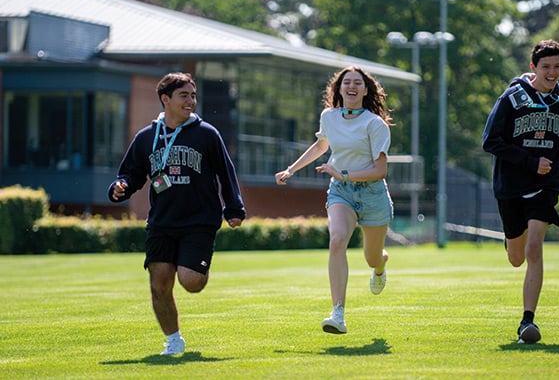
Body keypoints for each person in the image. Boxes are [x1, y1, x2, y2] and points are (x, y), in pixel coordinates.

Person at [108, 72, 246, 355]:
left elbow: (226, 172)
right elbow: (131, 174)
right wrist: (121, 187)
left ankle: (197, 267)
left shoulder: (207, 134)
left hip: (199, 221)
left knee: (191, 282)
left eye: (193, 96)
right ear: (165, 99)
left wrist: (234, 207)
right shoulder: (147, 137)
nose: (190, 101)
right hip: (162, 222)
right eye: (184, 96)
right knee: (159, 284)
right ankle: (173, 341)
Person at [275, 66, 394, 334]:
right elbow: (321, 145)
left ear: (366, 90)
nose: (351, 86)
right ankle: (337, 313)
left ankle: (381, 264)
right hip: (341, 191)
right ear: (339, 88)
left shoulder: (375, 124)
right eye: (346, 82)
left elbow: (380, 170)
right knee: (338, 239)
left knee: (372, 258)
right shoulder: (329, 116)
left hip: (372, 193)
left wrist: (344, 173)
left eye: (357, 83)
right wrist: (291, 169)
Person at [482, 39, 559, 344]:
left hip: (545, 186)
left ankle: (527, 321)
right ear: (533, 68)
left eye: (557, 66)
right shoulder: (512, 98)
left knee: (534, 248)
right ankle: (512, 239)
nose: (552, 72)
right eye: (546, 67)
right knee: (516, 258)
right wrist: (529, 161)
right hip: (511, 186)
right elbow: (490, 141)